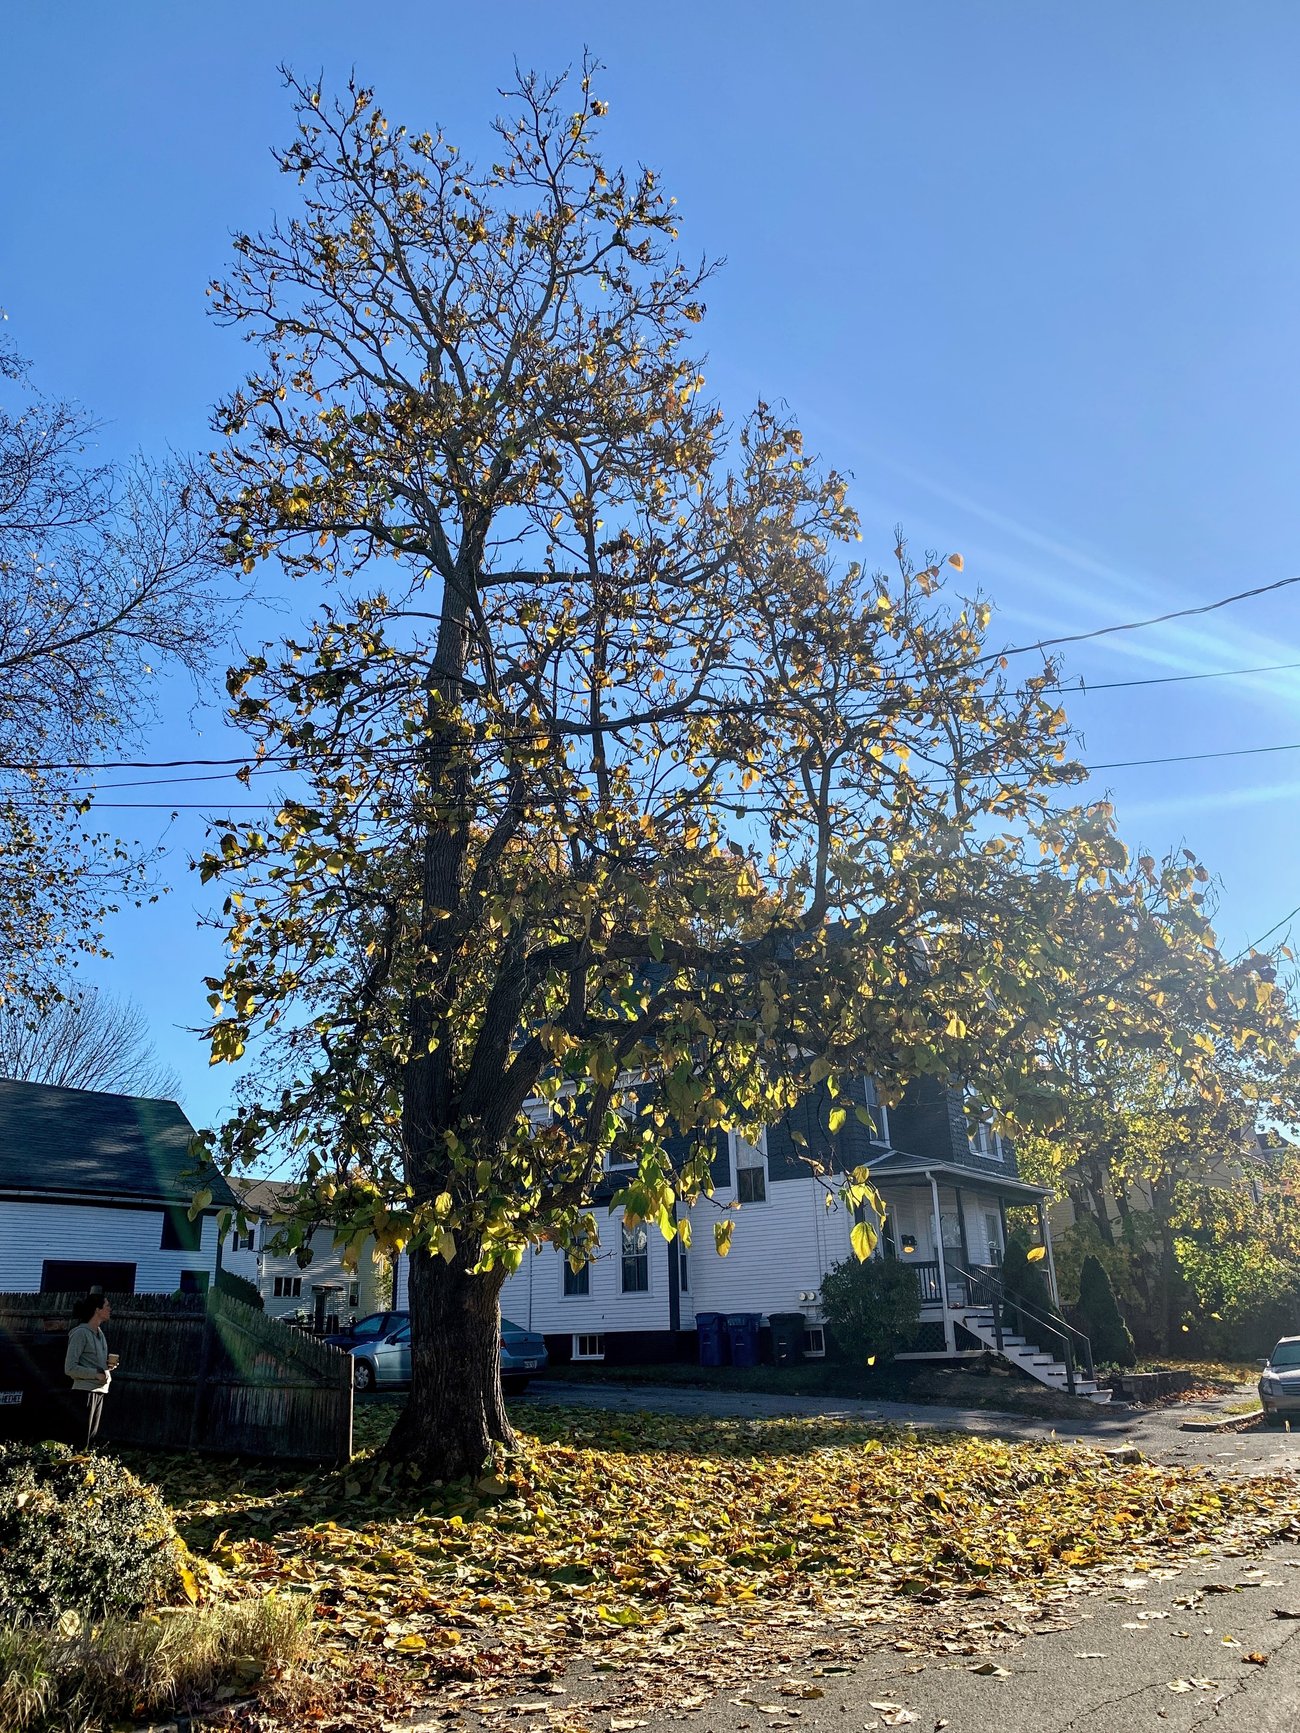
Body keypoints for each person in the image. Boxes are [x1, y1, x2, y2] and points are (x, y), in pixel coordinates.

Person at [63, 1293, 118, 1447]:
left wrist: (108, 1367)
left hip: (100, 1391)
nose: (110, 1309)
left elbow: (94, 1363)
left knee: (91, 1439)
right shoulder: (80, 1333)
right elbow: (70, 1368)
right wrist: (96, 1374)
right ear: (97, 1310)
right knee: (79, 1440)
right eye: (107, 1306)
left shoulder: (100, 1334)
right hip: (84, 1393)